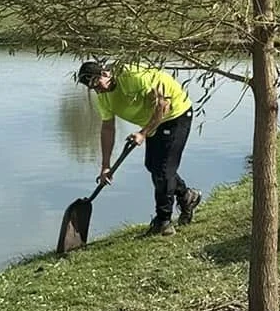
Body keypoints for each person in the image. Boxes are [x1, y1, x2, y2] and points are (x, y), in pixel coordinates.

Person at [75, 58, 201, 236]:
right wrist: (105, 166)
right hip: (153, 121)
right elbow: (108, 128)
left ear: (104, 73)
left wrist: (143, 133)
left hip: (175, 114)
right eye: (93, 88)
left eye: (97, 82)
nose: (98, 89)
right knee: (153, 165)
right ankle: (187, 196)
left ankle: (163, 222)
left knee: (164, 170)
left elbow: (162, 105)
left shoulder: (133, 76)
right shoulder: (103, 97)